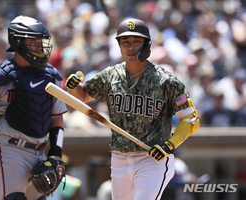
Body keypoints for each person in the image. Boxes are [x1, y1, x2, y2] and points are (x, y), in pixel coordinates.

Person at [65, 18, 200, 200]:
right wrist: (73, 86)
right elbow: (81, 96)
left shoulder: (166, 81)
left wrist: (169, 145)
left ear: (147, 45)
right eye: (125, 42)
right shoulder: (110, 76)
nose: (130, 47)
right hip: (119, 158)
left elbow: (191, 120)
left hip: (152, 158)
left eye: (136, 41)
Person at [0, 15, 67, 200]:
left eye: (41, 42)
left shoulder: (51, 77)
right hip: (10, 149)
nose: (40, 47)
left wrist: (56, 154)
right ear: (18, 42)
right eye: (34, 42)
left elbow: (57, 118)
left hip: (40, 151)